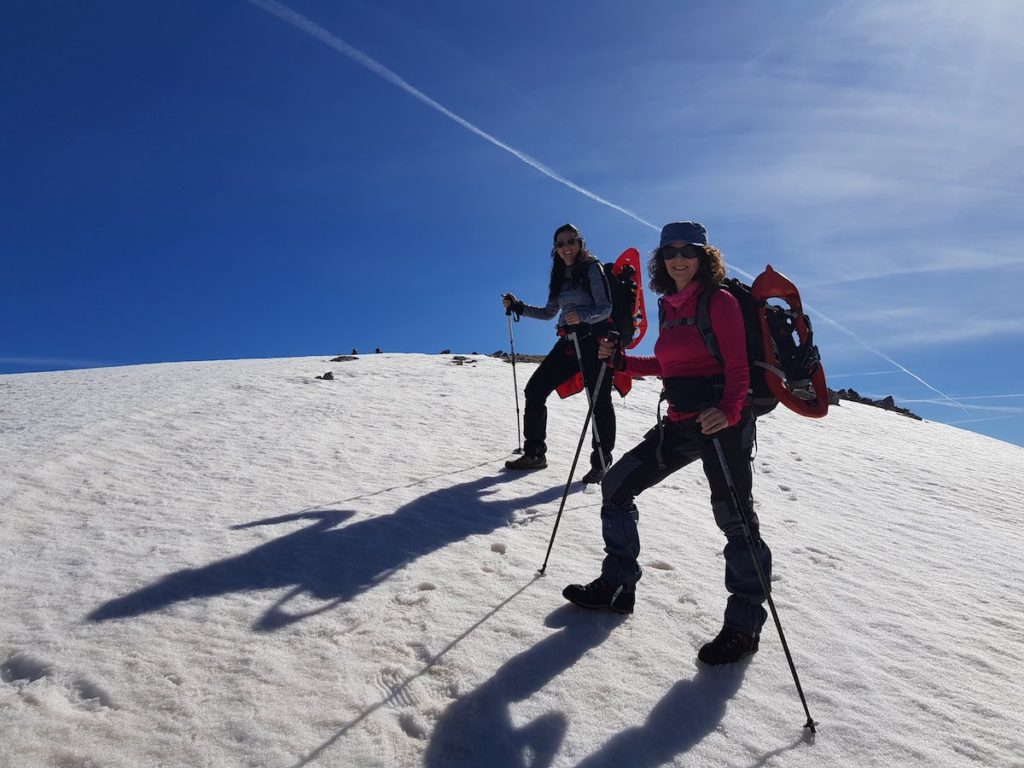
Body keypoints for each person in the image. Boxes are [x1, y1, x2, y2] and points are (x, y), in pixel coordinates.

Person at [562, 221, 773, 666]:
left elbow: (738, 369)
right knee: (616, 485)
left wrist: (730, 411)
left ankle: (744, 626)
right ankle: (618, 584)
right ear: (661, 258)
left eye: (689, 250)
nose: (679, 258)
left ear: (704, 257)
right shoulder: (668, 306)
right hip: (679, 422)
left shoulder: (720, 301)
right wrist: (622, 361)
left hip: (722, 425)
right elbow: (667, 363)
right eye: (671, 251)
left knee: (735, 520)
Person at [502, 223, 616, 483]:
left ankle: (601, 463)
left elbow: (606, 307)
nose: (566, 247)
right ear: (555, 249)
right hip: (568, 343)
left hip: (595, 343)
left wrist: (583, 315)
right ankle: (534, 454)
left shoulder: (591, 268)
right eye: (561, 243)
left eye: (571, 241)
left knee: (598, 402)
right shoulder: (558, 276)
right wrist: (518, 306)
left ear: (580, 243)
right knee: (535, 390)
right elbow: (548, 313)